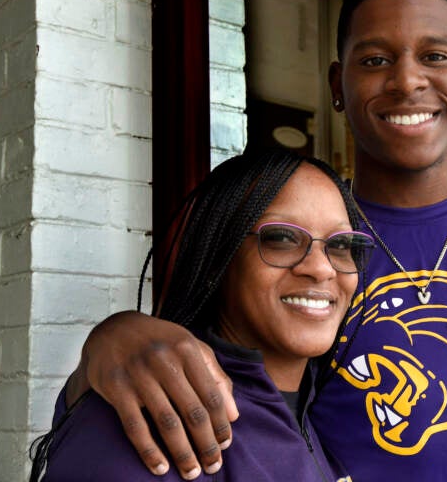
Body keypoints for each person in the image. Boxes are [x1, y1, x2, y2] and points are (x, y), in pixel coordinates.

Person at [58, 0, 447, 481]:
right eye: (375, 59)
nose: (407, 79)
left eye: (434, 56)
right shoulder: (295, 254)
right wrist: (110, 340)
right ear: (338, 86)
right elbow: (195, 366)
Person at [31, 148, 375, 481]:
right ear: (218, 259)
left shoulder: (326, 409)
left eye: (341, 245)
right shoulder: (153, 422)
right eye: (281, 238)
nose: (321, 268)